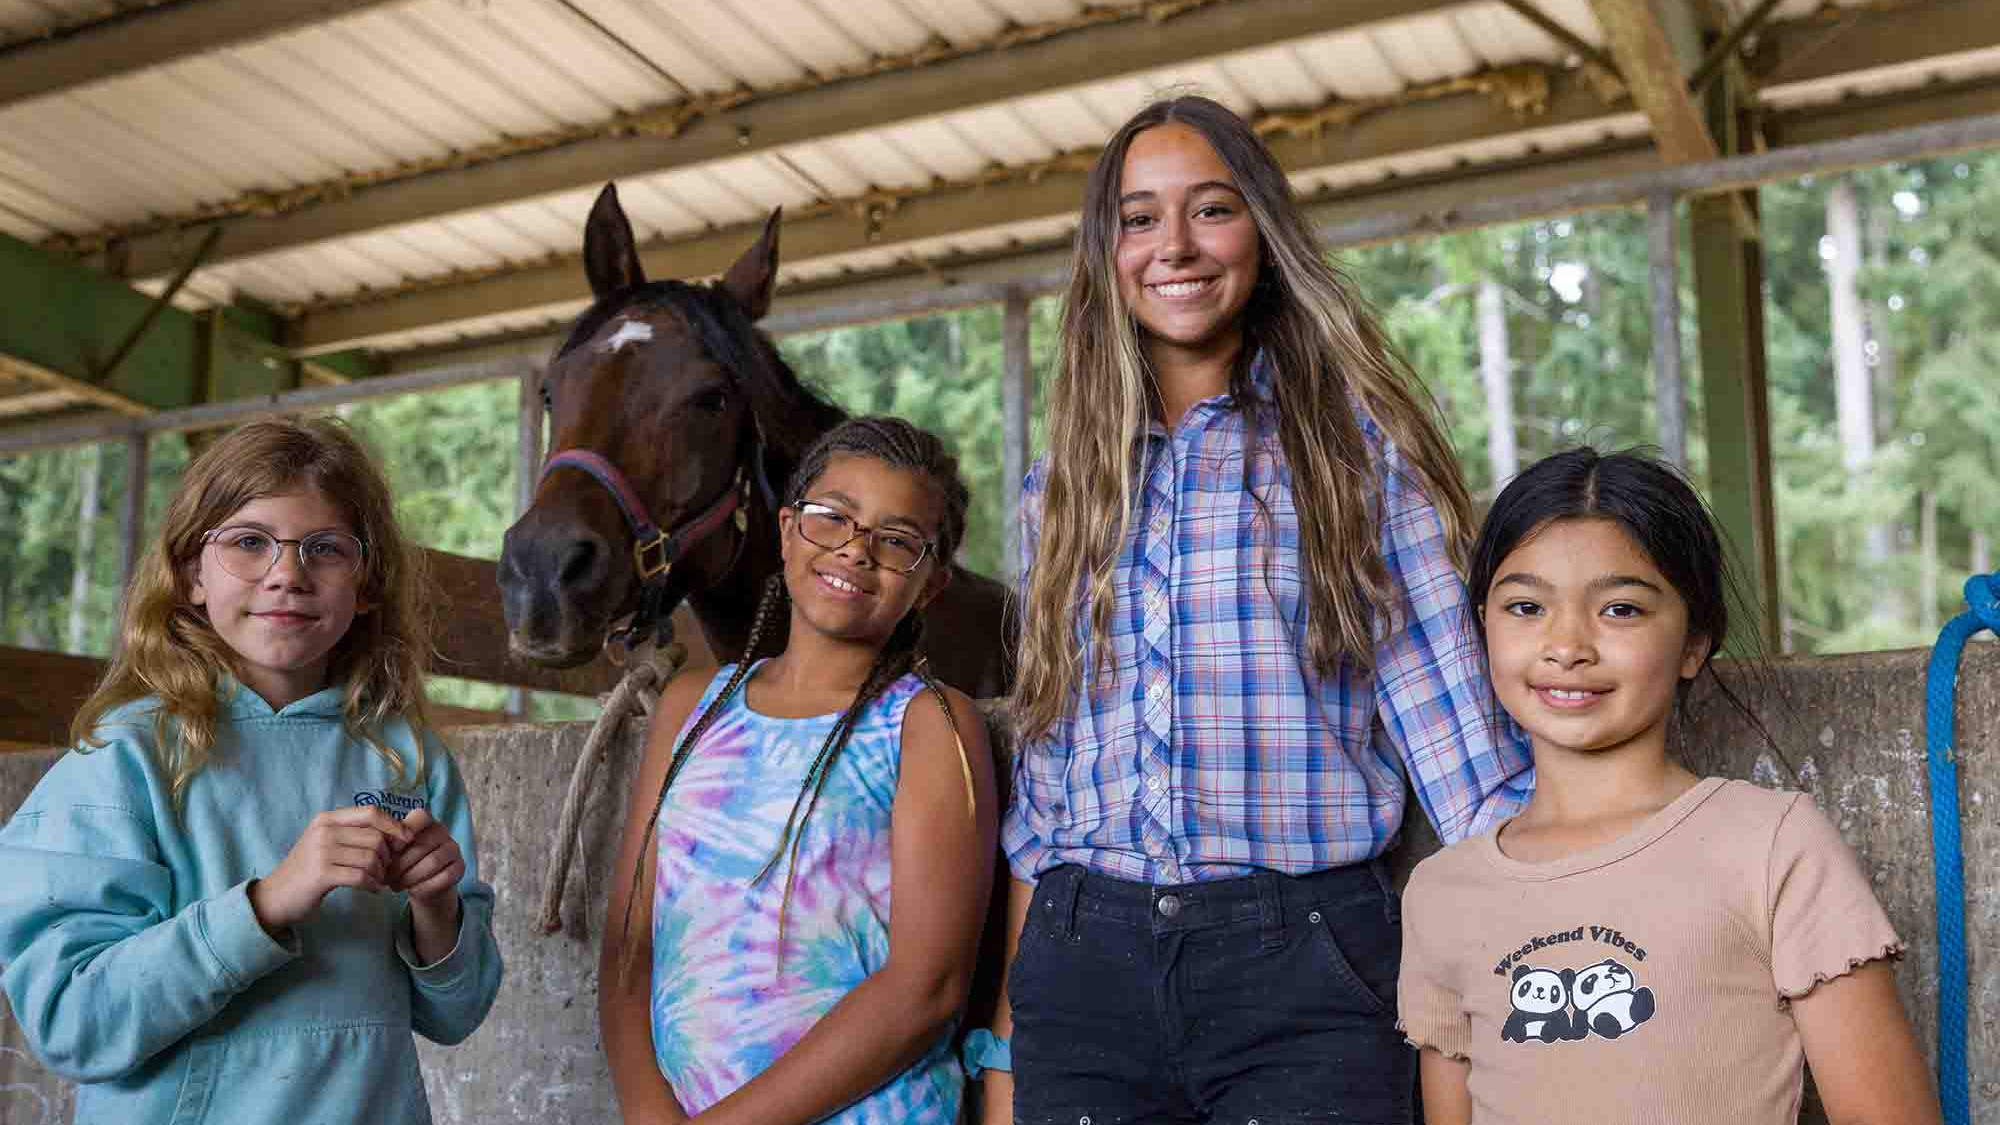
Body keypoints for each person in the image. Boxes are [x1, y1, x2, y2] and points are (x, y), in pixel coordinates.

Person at [982, 94, 1532, 1125]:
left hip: (1306, 961)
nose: (1173, 246)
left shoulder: (1358, 457)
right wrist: (1008, 1041)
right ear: (1105, 251)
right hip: (1079, 963)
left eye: (1211, 209)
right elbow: (1047, 793)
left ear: (1265, 236)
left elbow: (1462, 756)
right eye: (1138, 218)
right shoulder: (1058, 489)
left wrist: (1562, 938)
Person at [1399, 447, 1940, 1125]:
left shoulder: (1771, 844)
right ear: (1483, 629)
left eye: (1621, 608)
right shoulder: (1441, 893)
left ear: (1693, 642)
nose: (1567, 644)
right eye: (1526, 605)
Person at [0, 417, 503, 1124]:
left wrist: (437, 910)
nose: (288, 573)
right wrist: (265, 904)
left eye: (325, 548)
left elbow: (458, 1013)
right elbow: (72, 1019)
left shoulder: (406, 757)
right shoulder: (126, 758)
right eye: (247, 542)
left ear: (366, 586)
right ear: (190, 575)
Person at [598, 416, 998, 1125]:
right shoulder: (693, 705)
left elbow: (925, 989)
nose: (856, 548)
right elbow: (631, 939)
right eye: (832, 517)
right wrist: (647, 1112)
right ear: (787, 531)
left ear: (931, 584)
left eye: (897, 539)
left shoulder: (930, 724)